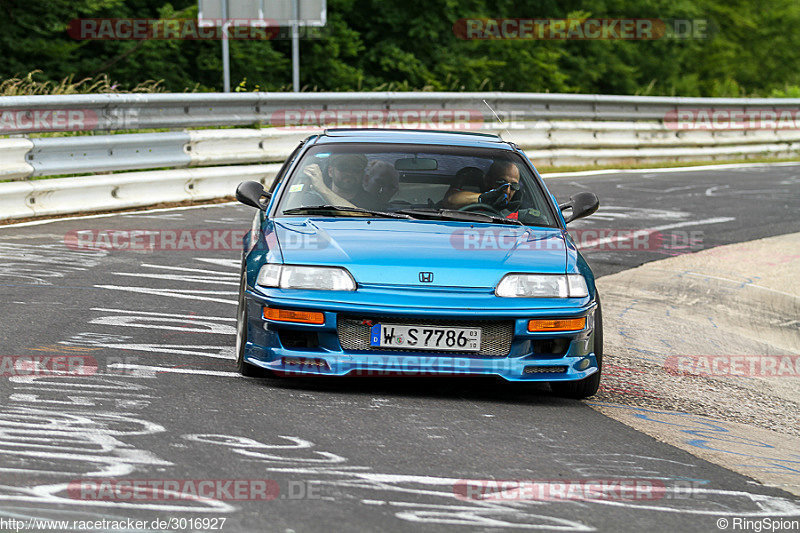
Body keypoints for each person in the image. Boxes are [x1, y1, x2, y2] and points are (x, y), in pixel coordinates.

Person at [301, 153, 383, 209]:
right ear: (330, 171)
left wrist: (322, 189)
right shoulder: (312, 198)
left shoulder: (373, 203)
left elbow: (361, 217)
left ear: (362, 173)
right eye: (343, 167)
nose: (349, 173)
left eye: (356, 169)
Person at [443, 160, 521, 211]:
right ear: (487, 181)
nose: (507, 190)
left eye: (514, 186)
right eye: (501, 183)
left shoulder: (520, 210)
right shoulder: (468, 203)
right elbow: (451, 200)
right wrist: (484, 198)